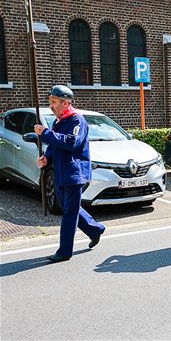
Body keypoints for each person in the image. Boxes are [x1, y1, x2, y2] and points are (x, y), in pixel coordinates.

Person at [34, 85, 105, 262]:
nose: (51, 106)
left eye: (54, 102)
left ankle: (64, 251)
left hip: (75, 173)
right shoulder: (58, 121)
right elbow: (54, 146)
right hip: (61, 172)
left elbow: (72, 143)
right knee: (69, 209)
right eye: (50, 102)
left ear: (66, 103)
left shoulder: (77, 120)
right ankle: (94, 228)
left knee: (69, 214)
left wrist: (46, 133)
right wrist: (46, 159)